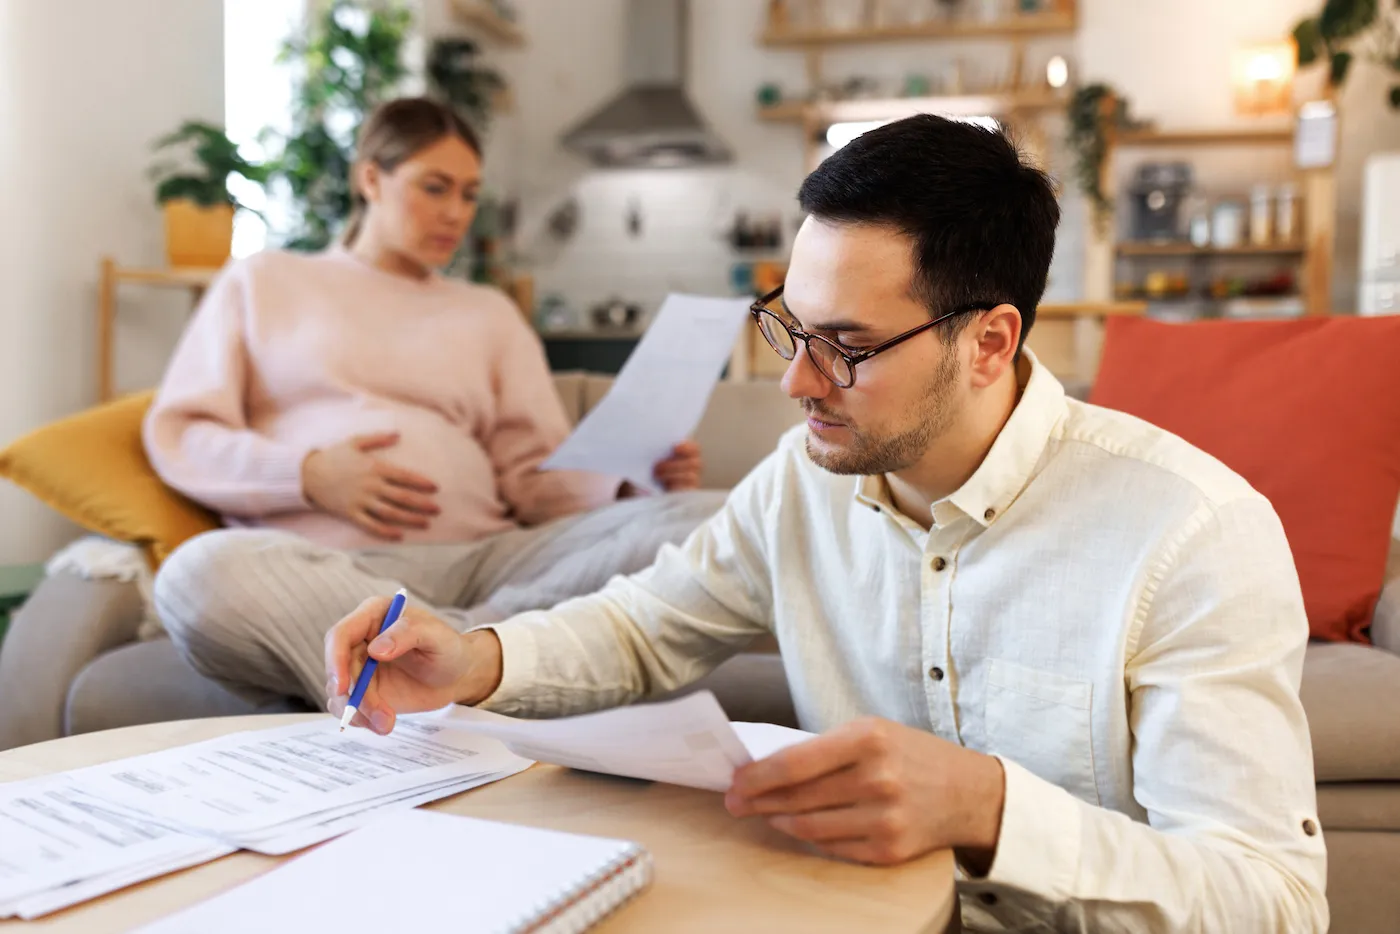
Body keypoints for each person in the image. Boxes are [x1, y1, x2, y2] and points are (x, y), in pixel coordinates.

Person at [324, 114, 1328, 931]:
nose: (795, 380)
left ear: (987, 342)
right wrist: (474, 658)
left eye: (845, 345)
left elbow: (1271, 903)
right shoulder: (799, 482)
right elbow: (641, 626)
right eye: (789, 326)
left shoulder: (1191, 533)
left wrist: (989, 811)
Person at [147, 97, 724, 709]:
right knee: (196, 575)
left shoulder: (489, 312)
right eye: (435, 187)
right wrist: (309, 476)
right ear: (370, 178)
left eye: (470, 194)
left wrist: (631, 483)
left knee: (719, 516)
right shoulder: (264, 281)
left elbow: (533, 477)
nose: (455, 213)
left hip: (491, 565)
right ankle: (457, 651)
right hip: (330, 568)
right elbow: (183, 435)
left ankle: (454, 647)